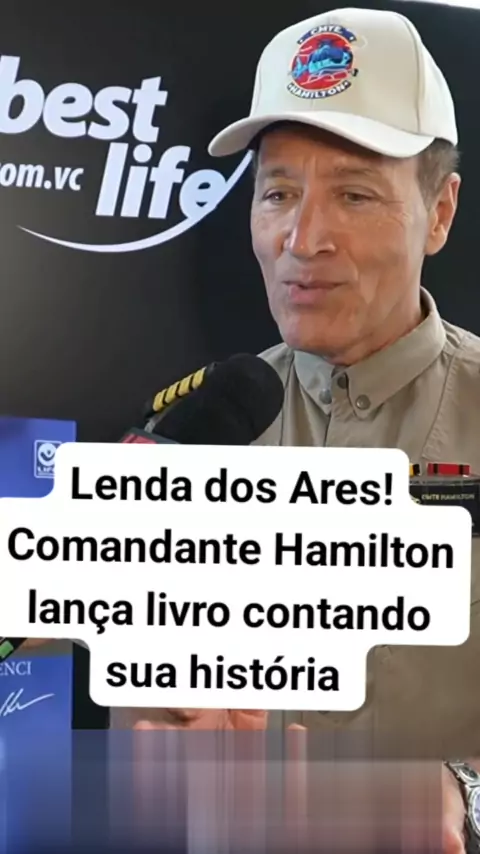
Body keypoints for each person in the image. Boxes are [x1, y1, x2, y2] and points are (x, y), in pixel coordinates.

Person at [130, 7, 480, 853]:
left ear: (439, 212)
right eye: (279, 193)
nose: (303, 238)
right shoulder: (191, 433)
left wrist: (464, 795)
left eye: (354, 194)